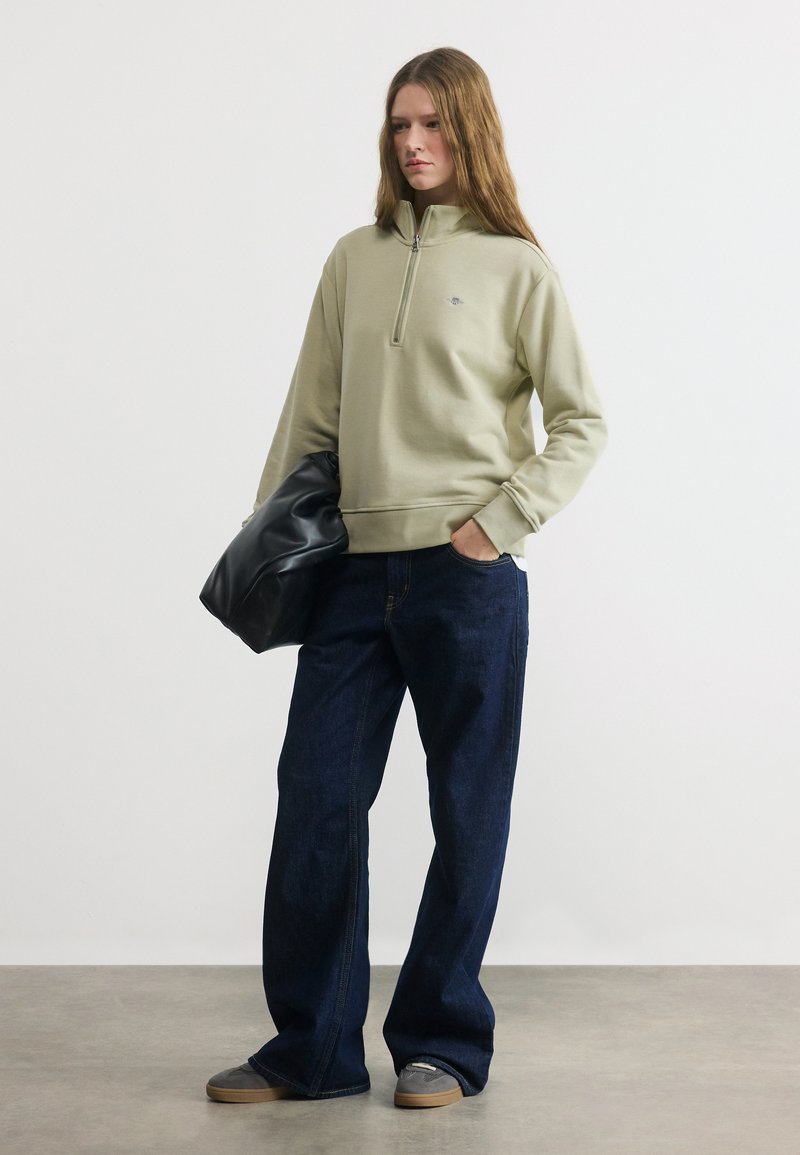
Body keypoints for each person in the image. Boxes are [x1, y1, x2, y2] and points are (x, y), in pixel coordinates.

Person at [206, 45, 608, 1110]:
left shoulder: (518, 268)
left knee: (466, 811)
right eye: (399, 125)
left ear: (469, 131)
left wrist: (496, 524)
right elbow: (310, 416)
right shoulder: (353, 260)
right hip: (351, 570)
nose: (414, 143)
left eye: (432, 124)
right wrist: (265, 540)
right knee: (316, 800)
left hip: (465, 577)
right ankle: (312, 1049)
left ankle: (442, 1042)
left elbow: (581, 422)